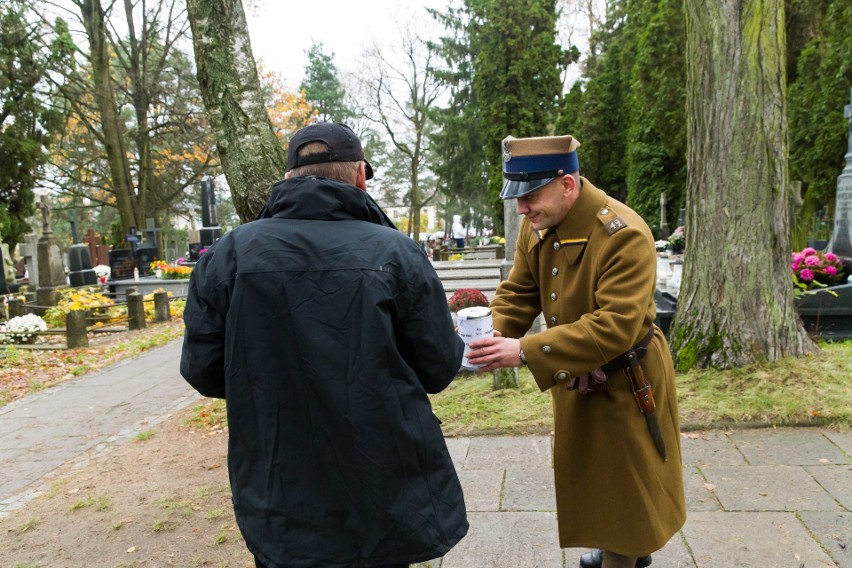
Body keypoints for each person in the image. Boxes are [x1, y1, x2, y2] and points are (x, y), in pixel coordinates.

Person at [180, 122, 468, 568]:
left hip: (280, 479)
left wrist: (267, 384)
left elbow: (203, 368)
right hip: (384, 481)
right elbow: (438, 366)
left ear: (289, 178)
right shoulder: (397, 253)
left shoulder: (230, 255)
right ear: (359, 177)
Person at [466, 134, 685, 568]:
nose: (521, 209)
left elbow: (615, 326)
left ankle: (624, 555)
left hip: (627, 376)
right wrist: (486, 335)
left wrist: (525, 350)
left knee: (630, 481)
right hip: (575, 372)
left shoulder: (624, 235)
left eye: (530, 196)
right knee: (597, 477)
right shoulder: (540, 225)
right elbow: (519, 291)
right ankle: (616, 542)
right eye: (518, 197)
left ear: (567, 185)